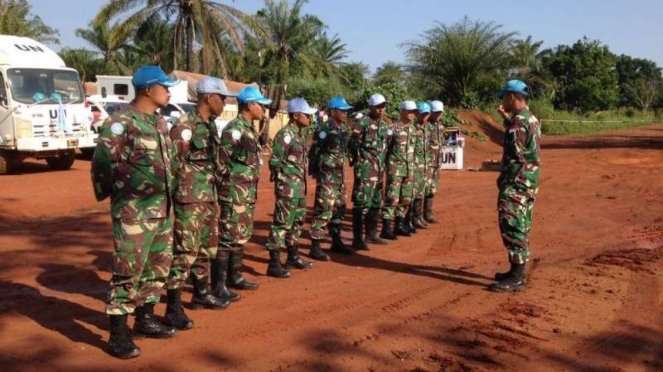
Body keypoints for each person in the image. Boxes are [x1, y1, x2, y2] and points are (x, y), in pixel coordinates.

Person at [91, 65, 180, 359]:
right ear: (147, 90)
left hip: (162, 210)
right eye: (164, 87)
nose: (169, 92)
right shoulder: (121, 122)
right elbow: (103, 161)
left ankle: (146, 318)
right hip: (134, 211)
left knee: (157, 269)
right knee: (127, 272)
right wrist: (118, 196)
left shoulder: (160, 123)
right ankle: (118, 334)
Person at [163, 77, 237, 331]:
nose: (225, 102)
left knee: (207, 249)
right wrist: (175, 201)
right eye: (223, 97)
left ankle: (201, 293)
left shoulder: (210, 125)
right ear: (208, 98)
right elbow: (174, 165)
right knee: (185, 252)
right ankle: (173, 308)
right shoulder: (186, 125)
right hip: (189, 200)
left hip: (207, 197)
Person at [216, 86, 271, 292]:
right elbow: (221, 163)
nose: (264, 109)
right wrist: (225, 192)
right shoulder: (235, 129)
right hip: (233, 193)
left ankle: (235, 276)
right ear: (250, 105)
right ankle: (220, 284)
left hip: (245, 193)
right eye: (261, 105)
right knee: (228, 236)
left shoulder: (249, 129)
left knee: (240, 234)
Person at [489, 80, 541, 292]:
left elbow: (515, 157)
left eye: (504, 97)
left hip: (517, 182)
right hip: (529, 180)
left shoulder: (518, 123)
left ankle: (518, 276)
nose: (503, 101)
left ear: (511, 97)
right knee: (522, 223)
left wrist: (503, 180)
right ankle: (515, 271)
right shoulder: (531, 118)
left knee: (512, 224)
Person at [265, 98, 317, 278]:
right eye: (307, 114)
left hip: (300, 187)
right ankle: (273, 263)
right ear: (296, 115)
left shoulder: (300, 134)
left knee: (297, 222)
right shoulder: (285, 134)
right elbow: (275, 161)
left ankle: (293, 257)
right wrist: (284, 182)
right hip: (288, 188)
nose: (310, 118)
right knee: (281, 224)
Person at [308, 96, 354, 259]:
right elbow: (314, 151)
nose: (346, 113)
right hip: (327, 176)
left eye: (347, 110)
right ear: (333, 111)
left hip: (340, 176)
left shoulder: (343, 129)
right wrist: (316, 170)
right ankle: (315, 245)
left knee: (339, 208)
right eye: (342, 110)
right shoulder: (324, 129)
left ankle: (336, 240)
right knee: (324, 209)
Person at [348, 94, 390, 250]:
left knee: (376, 201)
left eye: (383, 106)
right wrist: (358, 161)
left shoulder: (384, 125)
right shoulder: (363, 123)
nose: (381, 109)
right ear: (371, 107)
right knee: (361, 202)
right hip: (366, 169)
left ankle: (371, 234)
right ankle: (357, 238)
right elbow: (353, 143)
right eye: (378, 106)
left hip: (379, 170)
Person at [381, 101, 417, 239]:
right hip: (395, 169)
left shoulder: (414, 130)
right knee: (392, 199)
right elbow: (385, 149)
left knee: (406, 198)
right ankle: (386, 228)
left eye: (414, 111)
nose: (412, 114)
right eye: (409, 111)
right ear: (402, 111)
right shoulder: (392, 128)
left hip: (409, 170)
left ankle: (399, 226)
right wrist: (387, 166)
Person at [410, 102, 432, 230]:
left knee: (421, 193)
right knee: (413, 193)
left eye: (426, 114)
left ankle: (419, 218)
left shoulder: (428, 128)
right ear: (417, 113)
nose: (424, 116)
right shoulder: (413, 128)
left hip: (424, 166)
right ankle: (412, 219)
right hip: (415, 166)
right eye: (422, 114)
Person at [424, 100, 445, 224]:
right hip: (426, 163)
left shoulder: (440, 126)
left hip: (437, 163)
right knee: (423, 189)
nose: (438, 115)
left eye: (440, 112)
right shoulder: (426, 125)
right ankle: (418, 216)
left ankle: (428, 213)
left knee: (432, 188)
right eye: (436, 112)